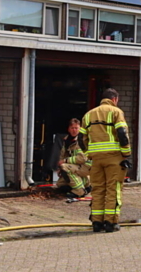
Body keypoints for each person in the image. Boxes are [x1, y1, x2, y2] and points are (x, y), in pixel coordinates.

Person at [81, 89, 131, 233]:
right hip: (114, 158)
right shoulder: (116, 112)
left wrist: (88, 153)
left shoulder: (88, 115)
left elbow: (81, 138)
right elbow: (122, 133)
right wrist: (126, 153)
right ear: (114, 99)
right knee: (113, 189)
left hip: (96, 159)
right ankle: (111, 222)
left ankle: (97, 223)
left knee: (97, 190)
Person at [56, 118, 89, 197]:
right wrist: (59, 168)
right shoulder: (67, 140)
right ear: (69, 129)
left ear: (80, 128)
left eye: (76, 128)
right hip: (75, 166)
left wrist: (65, 161)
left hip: (86, 166)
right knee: (60, 184)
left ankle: (80, 191)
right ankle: (87, 184)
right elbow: (62, 155)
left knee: (65, 167)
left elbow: (82, 158)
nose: (74, 130)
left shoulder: (82, 140)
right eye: (72, 128)